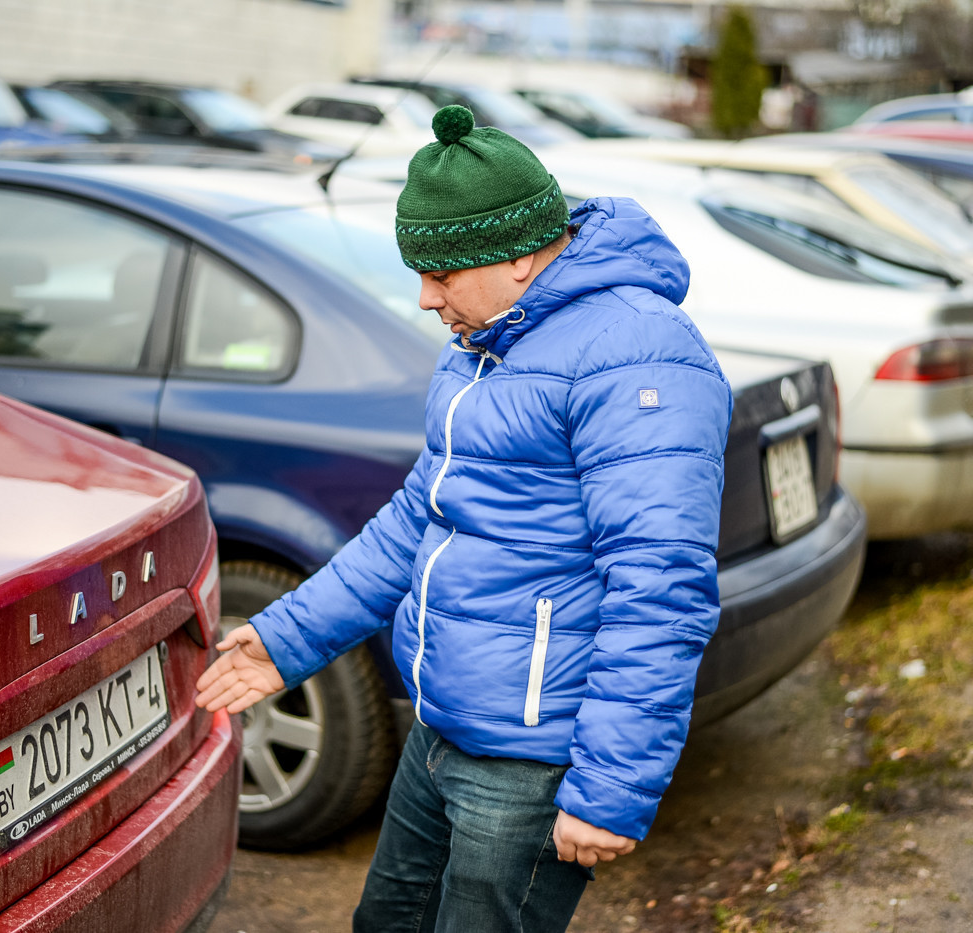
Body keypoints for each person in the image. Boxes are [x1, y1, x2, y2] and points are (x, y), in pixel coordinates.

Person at [196, 104, 732, 932]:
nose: (424, 297)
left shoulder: (638, 353)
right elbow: (421, 515)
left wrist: (611, 788)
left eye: (442, 273)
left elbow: (660, 589)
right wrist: (287, 638)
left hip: (530, 758)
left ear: (518, 254)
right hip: (442, 724)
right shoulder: (485, 341)